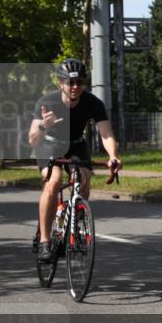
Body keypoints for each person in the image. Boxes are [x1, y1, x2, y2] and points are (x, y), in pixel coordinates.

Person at [28, 58, 121, 263]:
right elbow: (32, 139)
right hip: (49, 144)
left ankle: (73, 222)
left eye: (79, 82)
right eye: (70, 82)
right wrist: (43, 125)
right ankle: (44, 240)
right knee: (53, 182)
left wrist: (113, 156)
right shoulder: (47, 101)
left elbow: (106, 134)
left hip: (76, 144)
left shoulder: (93, 103)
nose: (75, 87)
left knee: (84, 178)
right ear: (60, 83)